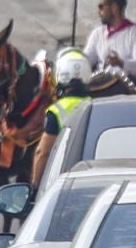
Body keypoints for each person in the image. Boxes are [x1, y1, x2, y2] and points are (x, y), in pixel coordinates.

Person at [29, 48, 91, 187]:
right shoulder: (95, 106)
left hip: (60, 181)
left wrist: (34, 187)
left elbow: (42, 153)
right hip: (88, 178)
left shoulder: (56, 111)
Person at [82, 0, 136, 85]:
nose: (99, 11)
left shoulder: (135, 32)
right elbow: (87, 60)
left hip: (125, 86)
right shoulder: (97, 33)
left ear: (114, 8)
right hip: (100, 82)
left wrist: (121, 63)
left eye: (101, 7)